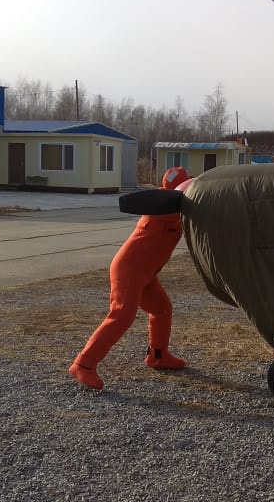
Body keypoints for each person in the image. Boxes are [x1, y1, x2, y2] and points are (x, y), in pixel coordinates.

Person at [68, 167, 192, 390]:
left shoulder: (173, 208)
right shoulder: (163, 208)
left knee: (162, 309)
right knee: (122, 315)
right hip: (129, 269)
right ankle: (83, 364)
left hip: (146, 272)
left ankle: (158, 356)